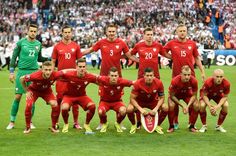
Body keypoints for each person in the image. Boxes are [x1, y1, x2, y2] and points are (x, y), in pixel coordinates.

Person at [82, 24, 138, 130]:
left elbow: (129, 55)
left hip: (117, 76)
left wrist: (142, 61)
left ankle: (119, 122)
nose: (111, 33)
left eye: (113, 31)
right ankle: (102, 122)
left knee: (118, 96)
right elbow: (90, 50)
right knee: (103, 96)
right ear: (106, 32)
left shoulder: (121, 43)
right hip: (103, 76)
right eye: (109, 31)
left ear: (115, 32)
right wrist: (78, 54)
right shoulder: (101, 42)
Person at [164, 23, 205, 130]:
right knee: (174, 101)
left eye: (184, 31)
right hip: (176, 77)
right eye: (180, 31)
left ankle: (191, 124)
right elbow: (163, 51)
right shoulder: (172, 43)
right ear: (177, 32)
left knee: (193, 102)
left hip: (190, 76)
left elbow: (196, 58)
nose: (182, 33)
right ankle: (175, 121)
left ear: (187, 32)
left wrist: (202, 71)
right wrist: (171, 57)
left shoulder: (192, 44)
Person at [7, 23, 48, 130]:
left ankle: (30, 122)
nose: (33, 33)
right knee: (18, 97)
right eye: (31, 31)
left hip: (34, 73)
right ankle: (12, 122)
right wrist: (11, 72)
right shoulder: (20, 43)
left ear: (36, 32)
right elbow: (13, 58)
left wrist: (49, 59)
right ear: (27, 31)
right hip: (21, 72)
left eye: (35, 31)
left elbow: (39, 58)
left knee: (32, 98)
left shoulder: (38, 44)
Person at [130, 27, 171, 129]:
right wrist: (139, 61)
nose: (149, 36)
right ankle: (139, 122)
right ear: (144, 36)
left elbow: (166, 54)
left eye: (151, 34)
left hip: (155, 76)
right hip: (141, 77)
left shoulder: (158, 45)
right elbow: (130, 55)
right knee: (138, 98)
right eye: (147, 34)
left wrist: (177, 56)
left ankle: (156, 122)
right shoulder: (139, 45)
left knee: (158, 99)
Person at [51, 24, 82, 130]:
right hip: (61, 79)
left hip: (73, 79)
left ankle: (75, 122)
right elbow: (53, 62)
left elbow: (80, 62)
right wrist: (53, 75)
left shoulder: (76, 46)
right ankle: (56, 122)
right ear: (62, 33)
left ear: (71, 33)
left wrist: (80, 75)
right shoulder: (57, 47)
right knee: (58, 101)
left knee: (75, 101)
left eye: (69, 32)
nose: (67, 34)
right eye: (66, 32)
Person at [20, 61, 62, 134]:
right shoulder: (35, 75)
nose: (48, 72)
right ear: (42, 70)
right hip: (34, 91)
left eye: (49, 70)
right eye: (46, 70)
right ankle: (27, 128)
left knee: (55, 104)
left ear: (52, 69)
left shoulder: (55, 74)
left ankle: (53, 127)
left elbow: (65, 73)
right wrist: (27, 91)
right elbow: (22, 78)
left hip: (46, 91)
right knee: (29, 105)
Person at [60, 58, 97, 134]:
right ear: (76, 67)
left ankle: (87, 124)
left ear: (86, 67)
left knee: (92, 106)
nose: (82, 69)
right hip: (69, 96)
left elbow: (101, 81)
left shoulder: (89, 76)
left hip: (82, 96)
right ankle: (66, 124)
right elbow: (56, 75)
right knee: (64, 108)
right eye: (80, 67)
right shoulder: (69, 74)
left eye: (83, 67)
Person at [127, 67, 168, 134]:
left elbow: (162, 97)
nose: (149, 78)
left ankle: (157, 126)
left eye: (151, 75)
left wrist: (156, 108)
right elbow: (132, 98)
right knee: (129, 109)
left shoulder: (159, 83)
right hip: (139, 102)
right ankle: (134, 125)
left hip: (153, 102)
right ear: (144, 76)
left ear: (153, 76)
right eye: (147, 76)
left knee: (165, 107)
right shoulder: (138, 83)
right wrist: (140, 109)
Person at [97, 67, 133, 133]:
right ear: (108, 76)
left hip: (117, 102)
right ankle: (104, 123)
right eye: (112, 76)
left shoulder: (122, 81)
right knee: (100, 111)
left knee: (124, 110)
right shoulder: (103, 79)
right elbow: (93, 77)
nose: (114, 77)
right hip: (105, 102)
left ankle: (118, 123)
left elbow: (133, 83)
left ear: (118, 76)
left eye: (115, 76)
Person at [167, 65, 199, 133]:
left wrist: (187, 106)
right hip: (175, 95)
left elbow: (194, 95)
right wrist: (182, 106)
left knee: (196, 105)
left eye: (188, 75)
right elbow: (171, 96)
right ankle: (172, 126)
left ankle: (192, 126)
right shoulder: (175, 81)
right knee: (171, 106)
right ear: (181, 74)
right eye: (185, 75)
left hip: (187, 95)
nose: (187, 77)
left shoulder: (194, 81)